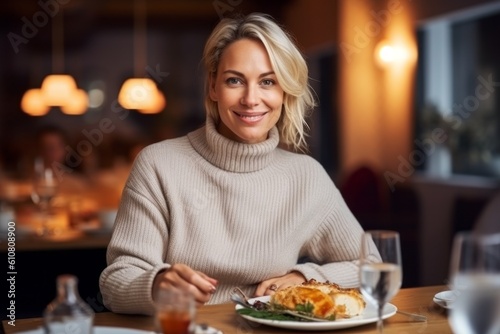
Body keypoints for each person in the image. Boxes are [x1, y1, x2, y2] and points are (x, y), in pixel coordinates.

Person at [99, 12, 376, 315]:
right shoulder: (158, 165)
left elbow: (373, 266)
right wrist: (158, 284)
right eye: (234, 80)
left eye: (268, 81)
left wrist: (303, 277)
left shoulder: (306, 176)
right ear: (212, 88)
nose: (251, 99)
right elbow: (115, 283)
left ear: (284, 92)